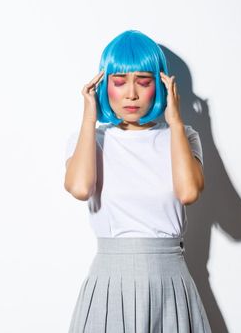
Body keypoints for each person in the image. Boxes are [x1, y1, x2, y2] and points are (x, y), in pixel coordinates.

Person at [64, 30, 211, 332]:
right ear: (105, 86)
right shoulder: (89, 139)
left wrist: (176, 121)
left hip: (169, 280)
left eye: (143, 82)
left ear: (161, 86)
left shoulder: (182, 137)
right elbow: (80, 188)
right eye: (119, 82)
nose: (131, 94)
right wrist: (89, 119)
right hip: (109, 281)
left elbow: (188, 192)